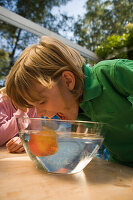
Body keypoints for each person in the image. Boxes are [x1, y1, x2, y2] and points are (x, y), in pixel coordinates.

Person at [5, 36, 133, 167]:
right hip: (121, 166)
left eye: (42, 102)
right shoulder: (73, 107)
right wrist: (27, 142)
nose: (41, 113)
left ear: (68, 81)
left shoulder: (111, 73)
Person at [0, 87, 37, 153]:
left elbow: (36, 134)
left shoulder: (35, 106)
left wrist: (24, 141)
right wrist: (21, 111)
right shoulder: (2, 101)